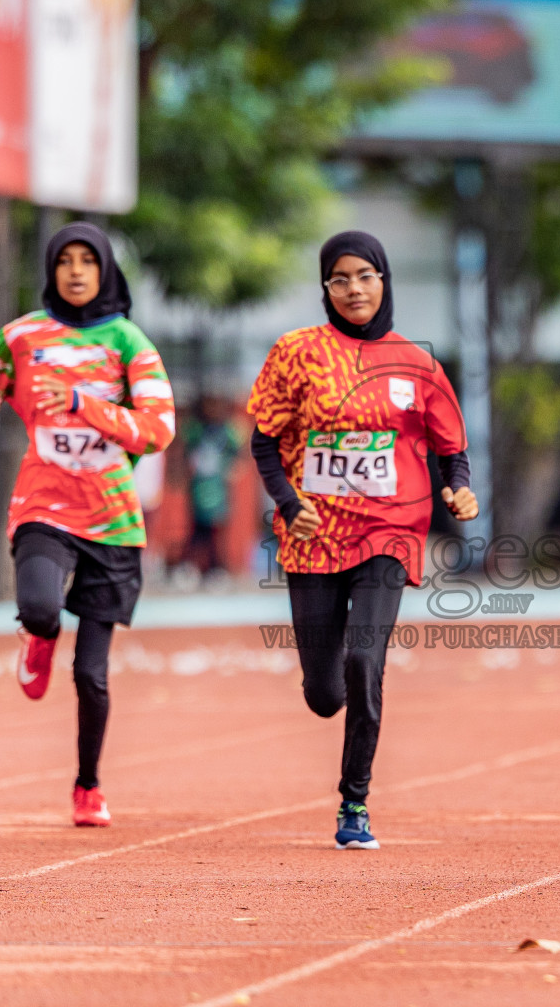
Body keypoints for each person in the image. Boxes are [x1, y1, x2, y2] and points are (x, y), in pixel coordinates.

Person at [0, 222, 176, 828]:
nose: (74, 271)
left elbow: (158, 429)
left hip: (114, 522)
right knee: (40, 608)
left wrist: (85, 407)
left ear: (104, 272)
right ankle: (36, 635)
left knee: (91, 676)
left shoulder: (129, 342)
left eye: (86, 262)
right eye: (63, 260)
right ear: (50, 269)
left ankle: (87, 786)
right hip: (43, 505)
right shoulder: (20, 337)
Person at [247, 230, 478, 850]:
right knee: (325, 693)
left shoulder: (418, 364)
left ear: (385, 280)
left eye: (366, 276)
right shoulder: (295, 353)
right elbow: (265, 441)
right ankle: (335, 704)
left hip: (390, 532)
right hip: (313, 535)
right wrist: (289, 502)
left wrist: (458, 489)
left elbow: (451, 449)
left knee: (363, 660)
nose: (354, 289)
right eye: (340, 278)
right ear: (326, 287)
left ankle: (355, 802)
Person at [181, 395, 243, 577]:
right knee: (197, 528)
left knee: (217, 528)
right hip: (199, 487)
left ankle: (217, 568)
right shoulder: (196, 430)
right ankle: (190, 567)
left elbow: (238, 457)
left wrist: (231, 471)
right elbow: (186, 455)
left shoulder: (228, 431)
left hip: (219, 488)